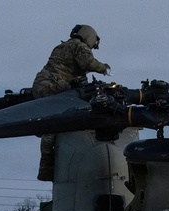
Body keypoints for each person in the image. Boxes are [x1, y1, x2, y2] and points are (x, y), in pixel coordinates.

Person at [31, 25, 112, 181]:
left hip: (41, 83)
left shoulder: (62, 46)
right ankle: (46, 169)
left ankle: (46, 165)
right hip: (54, 85)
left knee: (50, 121)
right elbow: (88, 63)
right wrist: (104, 68)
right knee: (53, 124)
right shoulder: (79, 46)